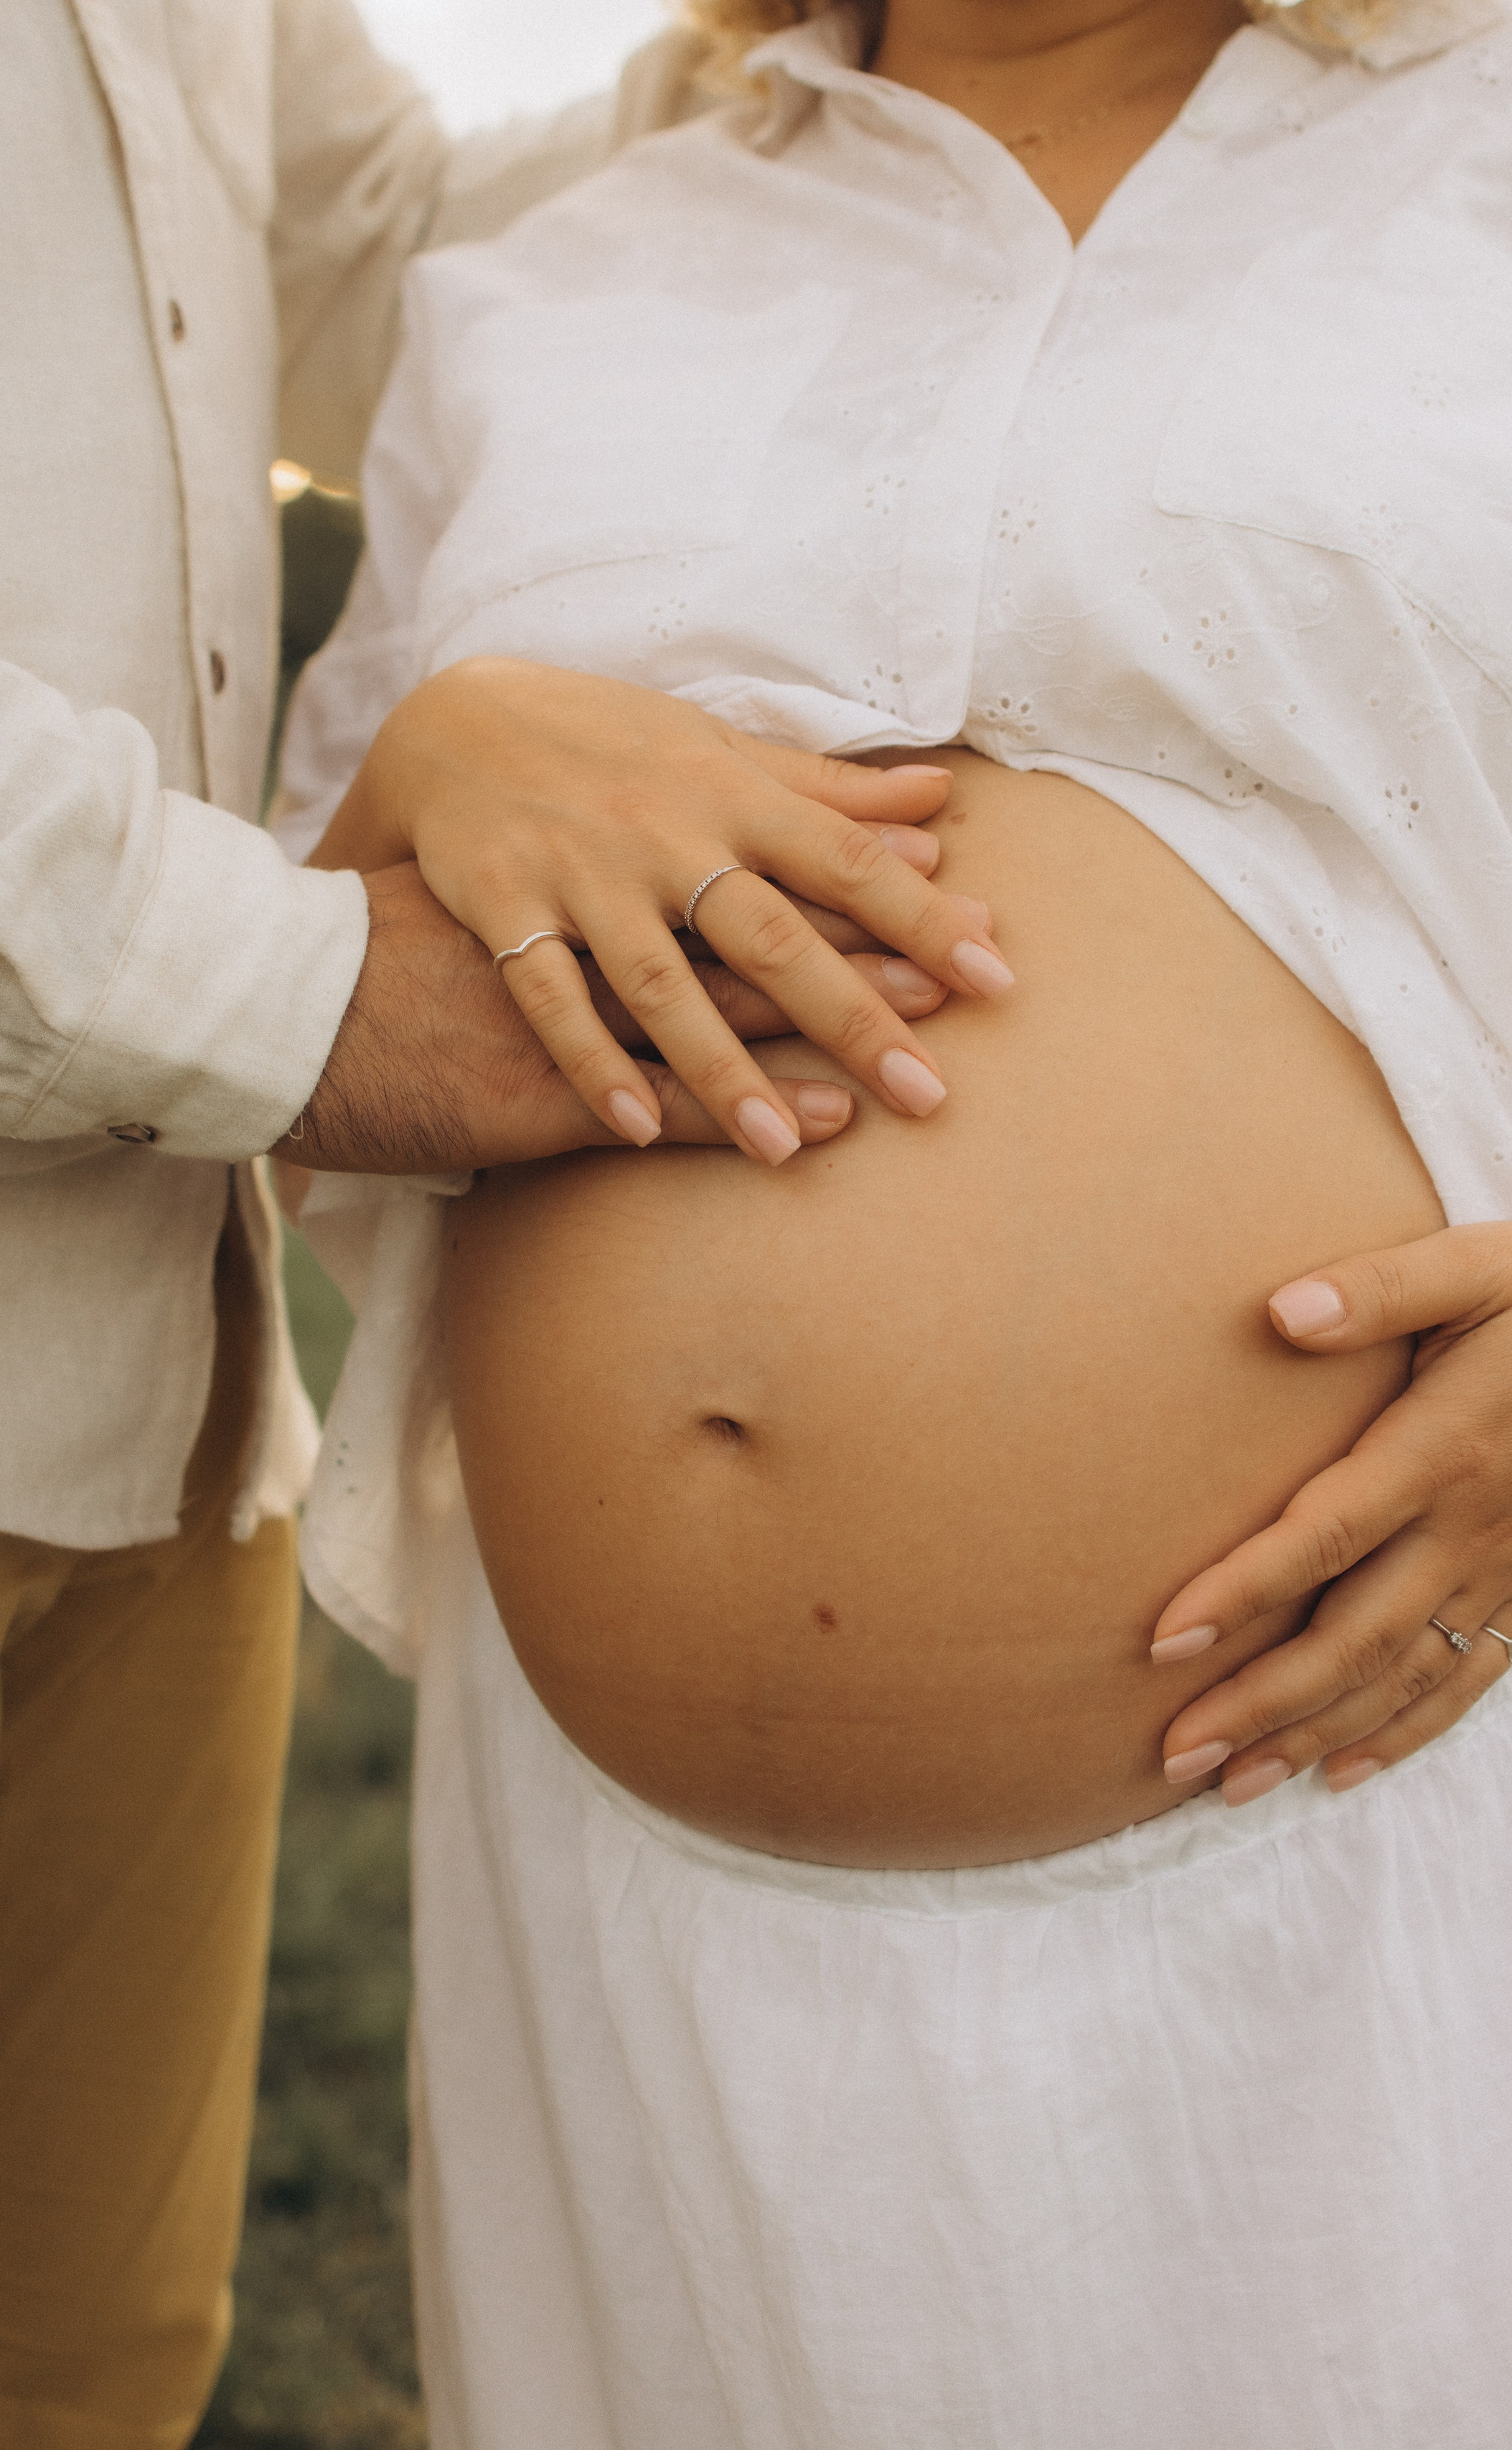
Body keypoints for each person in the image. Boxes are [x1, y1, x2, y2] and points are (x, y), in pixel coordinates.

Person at [281, 0, 1512, 2438]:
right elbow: (308, 1000)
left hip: (1406, 1839)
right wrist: (426, 755)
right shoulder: (563, 267)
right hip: (641, 1940)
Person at [0, 6, 1001, 2440]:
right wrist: (314, 986)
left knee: (81, 2374)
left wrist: (842, 61)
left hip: (128, 1382)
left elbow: (371, 259)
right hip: (177, 1123)